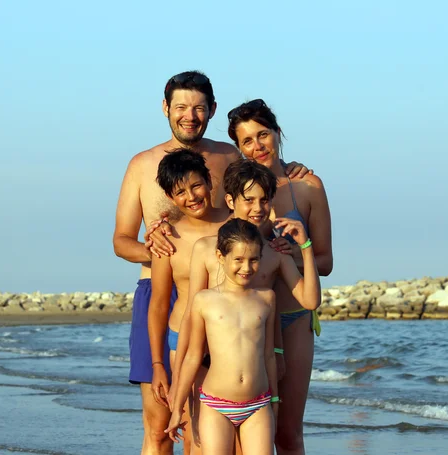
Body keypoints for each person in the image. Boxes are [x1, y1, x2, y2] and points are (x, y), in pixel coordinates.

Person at [112, 70, 310, 455]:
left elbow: (258, 184)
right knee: (161, 425)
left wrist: (288, 172)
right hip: (164, 291)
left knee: (215, 434)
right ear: (166, 108)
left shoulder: (227, 155)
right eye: (181, 107)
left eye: (199, 108)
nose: (190, 115)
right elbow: (120, 241)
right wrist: (160, 252)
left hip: (226, 300)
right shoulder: (142, 164)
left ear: (212, 110)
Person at [169, 160, 322, 453]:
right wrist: (179, 384)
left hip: (255, 377)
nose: (258, 208)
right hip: (210, 372)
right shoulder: (206, 248)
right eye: (249, 200)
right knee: (197, 444)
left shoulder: (275, 252)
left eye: (264, 200)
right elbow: (192, 314)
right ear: (230, 201)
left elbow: (310, 300)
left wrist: (305, 247)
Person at [227, 99, 333, 455]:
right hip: (246, 322)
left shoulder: (307, 187)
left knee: (288, 434)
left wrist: (293, 254)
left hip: (294, 317)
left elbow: (326, 260)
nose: (257, 146)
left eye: (263, 135)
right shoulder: (237, 189)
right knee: (247, 436)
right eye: (247, 141)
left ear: (277, 132)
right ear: (239, 149)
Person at [165, 219, 283, 454]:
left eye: (254, 260)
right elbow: (193, 356)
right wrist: (177, 407)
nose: (246, 268)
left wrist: (275, 400)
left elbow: (269, 355)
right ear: (220, 257)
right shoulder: (205, 300)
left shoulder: (266, 298)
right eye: (238, 260)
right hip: (215, 404)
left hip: (258, 404)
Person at [148, 149, 231, 448]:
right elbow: (158, 303)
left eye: (196, 185)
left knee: (235, 439)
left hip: (231, 340)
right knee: (194, 438)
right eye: (180, 192)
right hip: (183, 340)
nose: (191, 196)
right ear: (171, 198)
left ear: (210, 182)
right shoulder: (167, 238)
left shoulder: (237, 226)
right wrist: (158, 363)